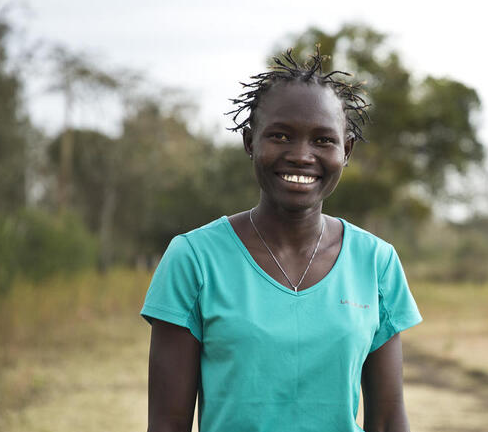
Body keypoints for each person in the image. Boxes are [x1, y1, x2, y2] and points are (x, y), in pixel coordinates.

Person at [141, 48, 422, 432]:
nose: (301, 156)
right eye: (280, 135)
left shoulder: (376, 262)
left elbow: (388, 421)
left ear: (347, 150)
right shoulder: (194, 259)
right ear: (250, 142)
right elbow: (167, 424)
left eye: (323, 140)